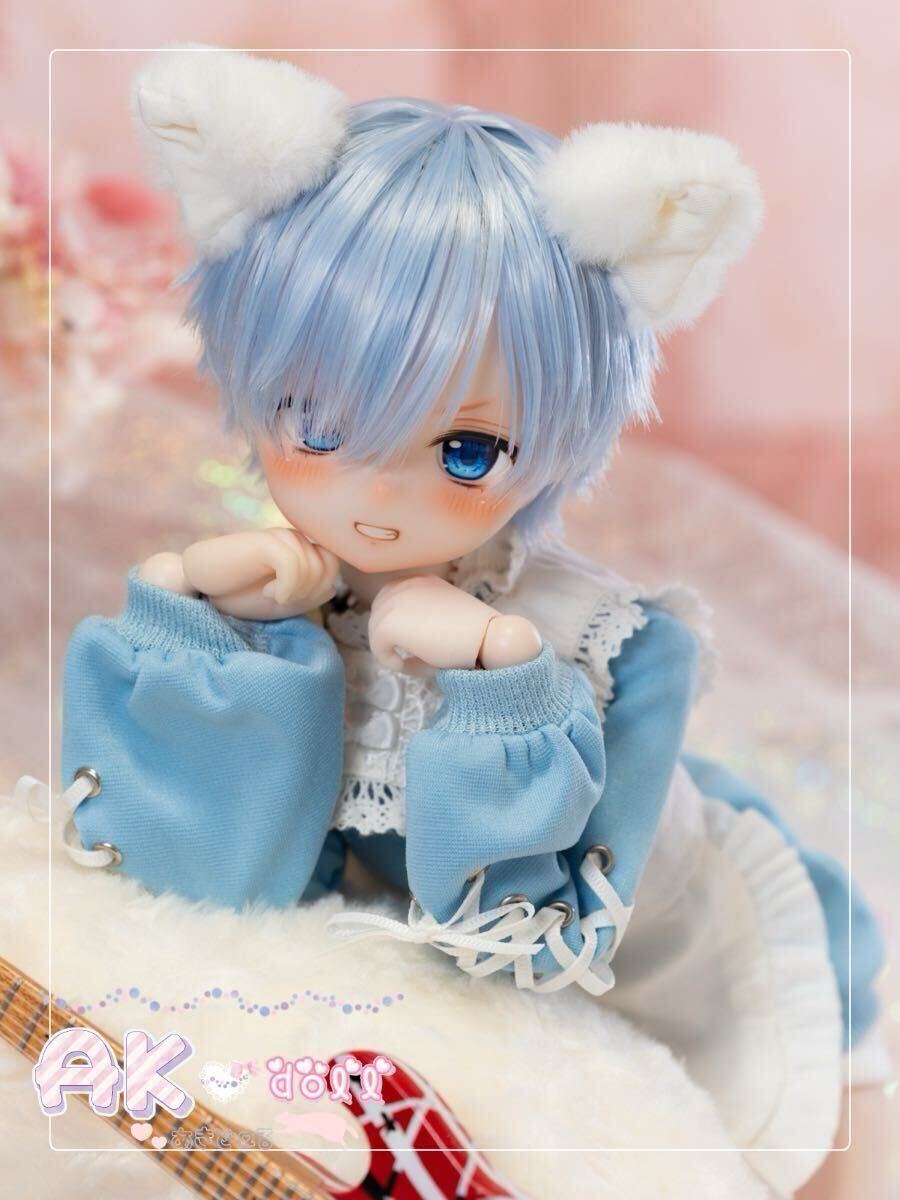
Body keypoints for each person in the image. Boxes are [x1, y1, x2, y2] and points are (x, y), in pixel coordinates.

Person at [59, 47, 884, 1195]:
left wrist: (500, 687)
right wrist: (211, 632)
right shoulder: (282, 593)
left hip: (666, 959)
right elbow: (194, 878)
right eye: (314, 421)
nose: (376, 498)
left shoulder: (603, 649)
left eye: (464, 450)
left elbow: (545, 940)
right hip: (378, 1010)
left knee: (810, 1132)